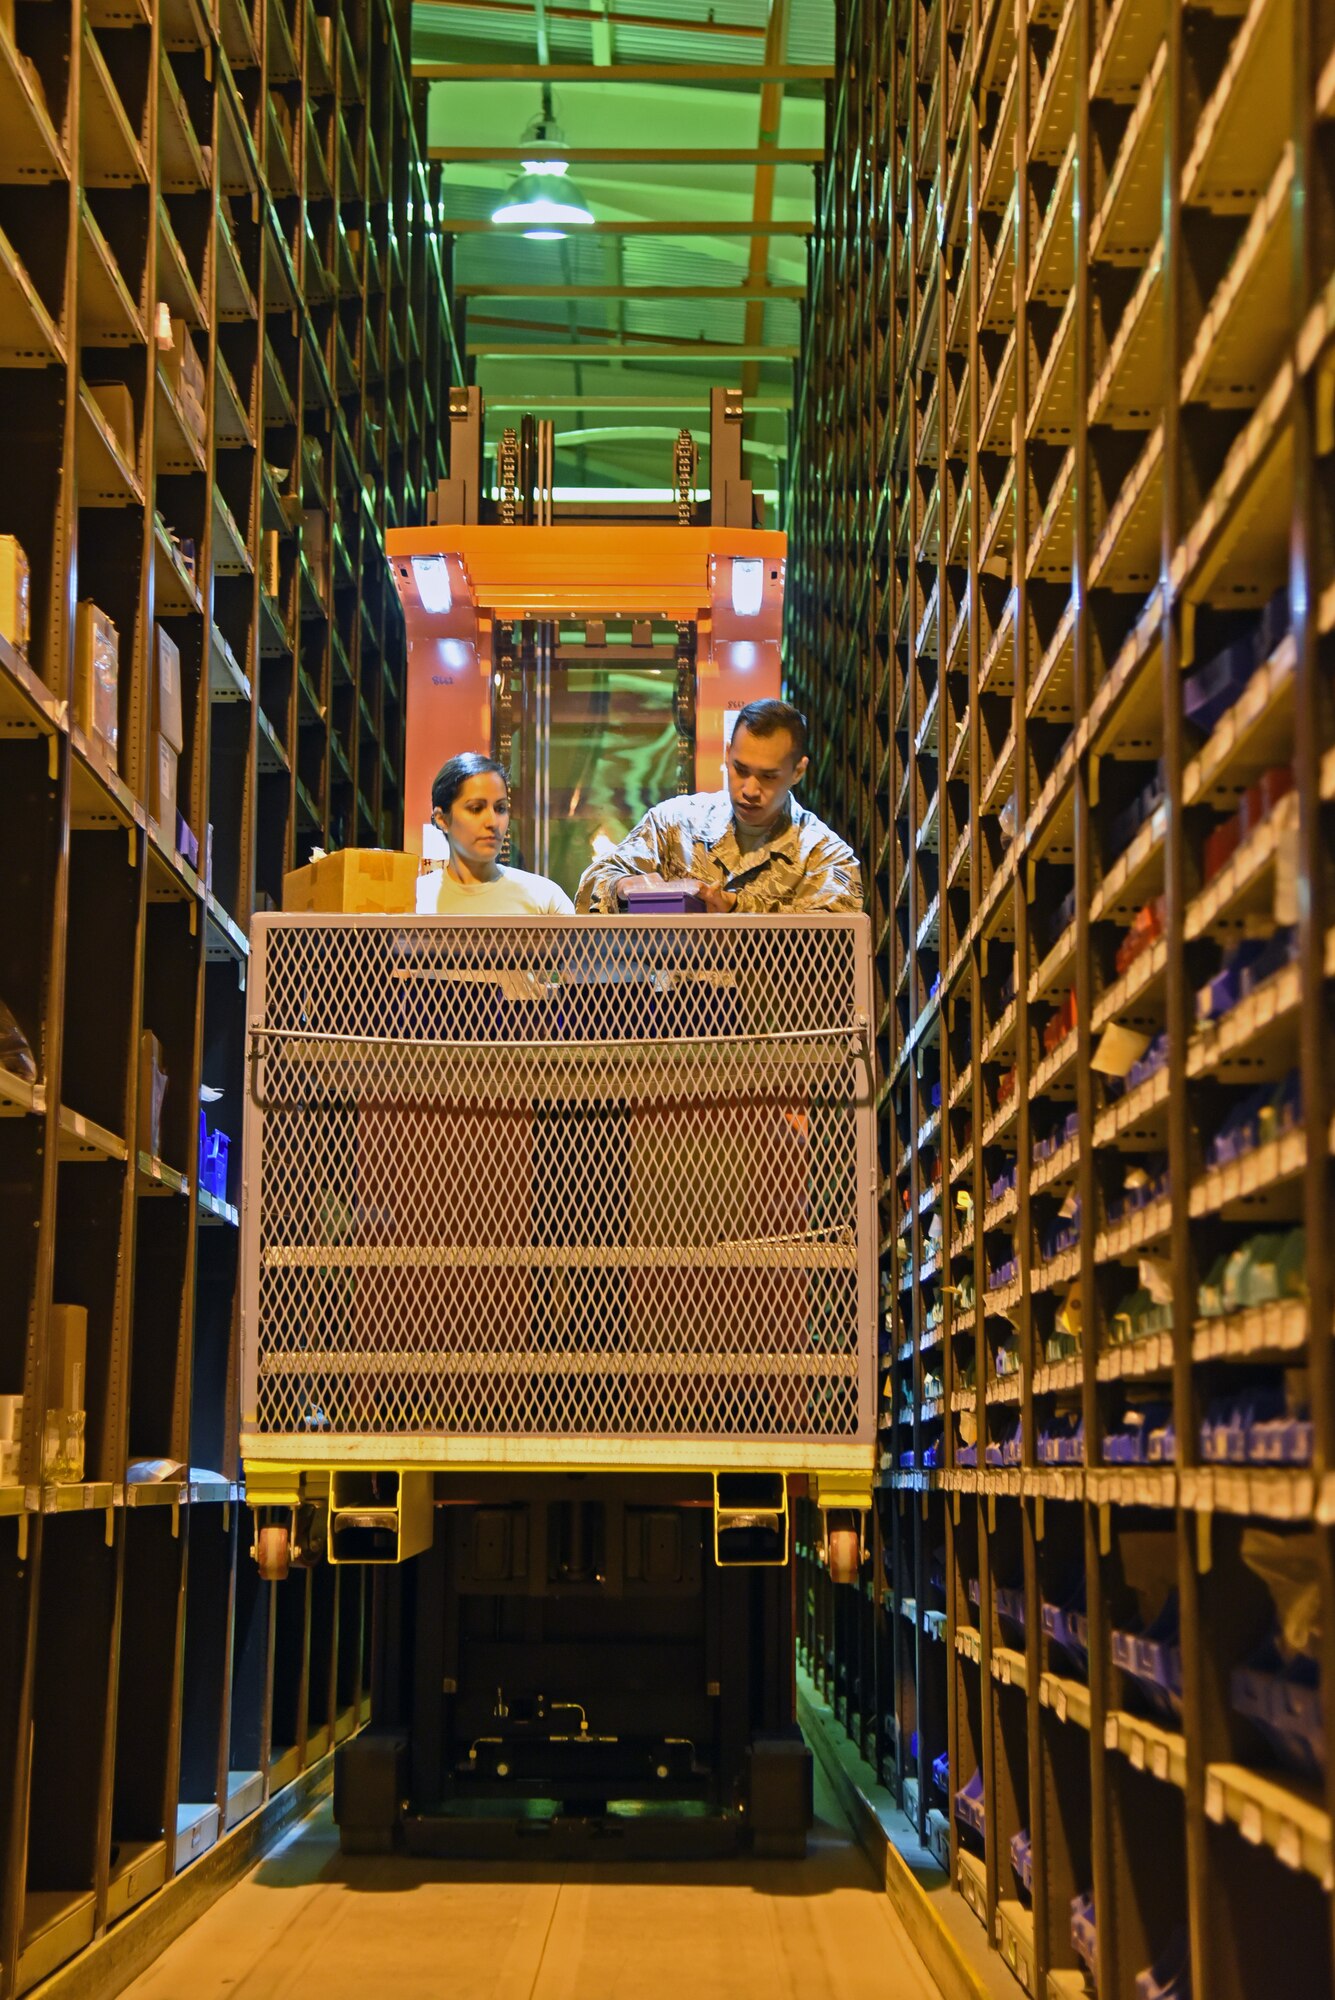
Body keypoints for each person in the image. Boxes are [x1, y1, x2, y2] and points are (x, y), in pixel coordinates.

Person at [575, 698, 863, 914]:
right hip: (673, 996)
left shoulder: (825, 857)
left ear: (798, 772)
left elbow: (832, 942)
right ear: (727, 754)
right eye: (740, 769)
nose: (750, 790)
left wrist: (736, 907)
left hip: (767, 997)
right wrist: (623, 887)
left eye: (768, 776)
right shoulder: (674, 824)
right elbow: (590, 889)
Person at [416, 752, 575, 914]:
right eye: (476, 809)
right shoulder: (416, 899)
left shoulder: (545, 898)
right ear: (442, 819)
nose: (492, 822)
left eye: (500, 808)